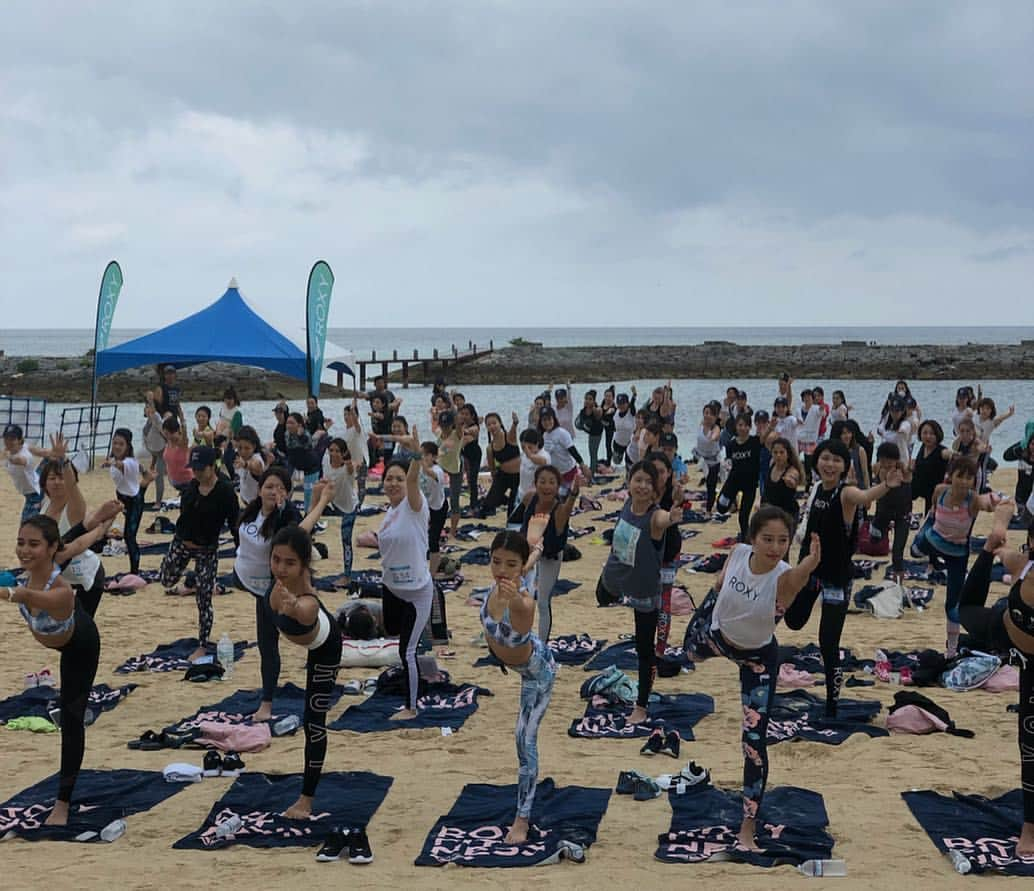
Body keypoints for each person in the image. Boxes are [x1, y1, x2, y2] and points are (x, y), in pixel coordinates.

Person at [704, 507, 821, 850]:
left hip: (757, 660)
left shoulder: (785, 578)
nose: (774, 547)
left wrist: (811, 563)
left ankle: (747, 828)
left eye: (782, 540)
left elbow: (797, 576)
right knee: (687, 651)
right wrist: (719, 583)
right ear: (752, 539)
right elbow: (722, 576)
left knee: (753, 745)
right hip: (716, 637)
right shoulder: (739, 552)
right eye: (767, 539)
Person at [782, 439, 903, 717]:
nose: (830, 464)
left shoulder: (845, 493)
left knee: (828, 642)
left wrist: (885, 486)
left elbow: (864, 497)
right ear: (817, 462)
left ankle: (831, 702)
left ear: (844, 467)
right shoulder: (814, 490)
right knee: (793, 620)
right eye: (825, 458)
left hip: (836, 577)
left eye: (837, 460)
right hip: (810, 571)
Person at [4, 516, 102, 825]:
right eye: (21, 542)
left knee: (72, 720)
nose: (24, 550)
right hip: (60, 638)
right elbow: (76, 541)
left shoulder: (58, 592)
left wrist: (13, 593)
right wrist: (98, 523)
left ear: (49, 549)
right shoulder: (27, 572)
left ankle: (62, 804)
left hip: (80, 645)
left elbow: (32, 598)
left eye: (33, 544)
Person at [957, 501, 1034, 855]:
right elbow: (1006, 546)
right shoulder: (1024, 563)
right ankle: (1030, 829)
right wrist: (994, 540)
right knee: (1030, 743)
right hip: (1005, 635)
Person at [480, 531, 557, 844]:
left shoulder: (523, 603)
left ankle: (522, 820)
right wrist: (533, 549)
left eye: (510, 564)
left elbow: (504, 610)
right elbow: (525, 567)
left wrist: (530, 559)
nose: (501, 570)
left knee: (523, 741)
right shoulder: (508, 578)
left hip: (538, 672)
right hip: (521, 662)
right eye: (496, 561)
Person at [239, 470, 332, 723]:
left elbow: (301, 532)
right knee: (266, 643)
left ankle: (267, 703)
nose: (273, 491)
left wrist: (320, 501)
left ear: (288, 493)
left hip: (274, 588)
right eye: (269, 486)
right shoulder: (251, 510)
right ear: (259, 489)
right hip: (251, 584)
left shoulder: (286, 515)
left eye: (280, 488)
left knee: (271, 643)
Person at [265, 526, 344, 822]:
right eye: (276, 559)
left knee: (314, 723)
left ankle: (306, 800)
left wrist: (294, 607)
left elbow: (306, 611)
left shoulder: (306, 599)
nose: (281, 568)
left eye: (289, 563)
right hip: (303, 638)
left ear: (303, 565)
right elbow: (302, 529)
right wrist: (318, 502)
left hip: (326, 646)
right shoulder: (276, 582)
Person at [599, 461, 683, 724]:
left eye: (648, 482)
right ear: (629, 482)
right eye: (638, 480)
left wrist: (673, 517)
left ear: (655, 489)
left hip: (644, 591)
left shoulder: (655, 516)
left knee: (644, 650)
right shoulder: (626, 504)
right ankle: (616, 595)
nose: (643, 486)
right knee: (601, 597)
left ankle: (641, 706)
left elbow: (665, 519)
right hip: (615, 578)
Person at [911, 455, 999, 657]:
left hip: (957, 554)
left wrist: (995, 500)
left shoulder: (973, 500)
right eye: (960, 476)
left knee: (953, 606)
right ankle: (919, 542)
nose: (964, 482)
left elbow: (987, 504)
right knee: (915, 551)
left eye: (969, 478)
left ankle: (951, 649)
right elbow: (933, 507)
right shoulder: (940, 490)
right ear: (951, 476)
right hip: (932, 540)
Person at [159, 446, 240, 662]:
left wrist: (241, 550)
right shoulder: (191, 488)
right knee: (166, 580)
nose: (195, 473)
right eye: (193, 468)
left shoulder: (225, 490)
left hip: (207, 549)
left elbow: (234, 523)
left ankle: (202, 645)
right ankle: (190, 578)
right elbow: (184, 517)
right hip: (183, 543)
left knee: (204, 599)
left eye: (199, 468)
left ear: (212, 467)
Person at [378, 457, 435, 719]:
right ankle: (426, 667)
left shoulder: (415, 506)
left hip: (416, 592)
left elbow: (413, 480)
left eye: (398, 479)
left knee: (407, 650)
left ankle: (411, 708)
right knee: (393, 633)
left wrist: (414, 455)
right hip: (391, 588)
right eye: (389, 478)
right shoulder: (389, 513)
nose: (393, 483)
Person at [509, 465, 576, 641]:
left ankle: (542, 643)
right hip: (529, 549)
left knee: (543, 601)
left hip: (550, 555)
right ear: (535, 483)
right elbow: (517, 523)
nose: (547, 486)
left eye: (552, 482)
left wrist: (574, 493)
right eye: (542, 481)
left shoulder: (560, 509)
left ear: (557, 486)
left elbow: (569, 506)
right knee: (521, 595)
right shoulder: (530, 498)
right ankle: (519, 635)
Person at [647, 452, 683, 657]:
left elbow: (680, 503)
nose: (658, 476)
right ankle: (647, 643)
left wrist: (679, 498)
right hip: (649, 553)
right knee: (648, 602)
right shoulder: (645, 492)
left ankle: (660, 650)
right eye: (654, 471)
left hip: (669, 552)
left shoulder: (672, 493)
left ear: (669, 473)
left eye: (662, 471)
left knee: (664, 603)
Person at [102, 428, 148, 576]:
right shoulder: (131, 462)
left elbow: (122, 466)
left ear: (127, 446)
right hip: (122, 498)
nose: (116, 446)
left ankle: (134, 571)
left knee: (129, 537)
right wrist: (145, 472)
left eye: (120, 444)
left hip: (134, 502)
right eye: (114, 443)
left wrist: (111, 463)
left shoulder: (128, 462)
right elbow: (140, 466)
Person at [869, 443, 912, 582]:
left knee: (897, 553)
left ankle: (897, 581)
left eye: (890, 460)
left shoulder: (902, 469)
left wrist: (908, 470)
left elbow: (911, 476)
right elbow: (863, 475)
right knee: (874, 539)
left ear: (896, 459)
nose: (887, 463)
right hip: (883, 512)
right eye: (883, 459)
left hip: (902, 514)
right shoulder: (877, 467)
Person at [716, 413, 761, 542]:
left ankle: (745, 541)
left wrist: (770, 427)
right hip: (733, 481)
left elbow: (766, 439)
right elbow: (727, 460)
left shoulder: (755, 442)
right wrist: (725, 463)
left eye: (745, 425)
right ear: (736, 427)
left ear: (749, 427)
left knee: (743, 517)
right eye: (740, 425)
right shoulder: (731, 445)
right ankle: (733, 503)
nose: (742, 428)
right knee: (721, 507)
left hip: (749, 484)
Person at [322, 438, 358, 586]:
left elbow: (351, 467)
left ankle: (347, 576)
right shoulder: (325, 462)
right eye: (331, 450)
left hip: (349, 507)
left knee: (346, 541)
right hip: (333, 504)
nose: (334, 453)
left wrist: (348, 459)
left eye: (337, 451)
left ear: (343, 453)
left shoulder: (346, 470)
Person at [537, 407, 590, 495]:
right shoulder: (544, 436)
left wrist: (583, 466)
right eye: (544, 420)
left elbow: (573, 451)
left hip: (569, 472)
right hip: (555, 474)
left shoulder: (562, 433)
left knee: (568, 497)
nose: (547, 422)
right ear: (541, 422)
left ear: (554, 419)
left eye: (549, 419)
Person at [479, 412, 522, 517]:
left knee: (512, 512)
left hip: (518, 476)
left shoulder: (509, 437)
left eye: (494, 423)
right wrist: (495, 486)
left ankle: (511, 501)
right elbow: (492, 468)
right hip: (503, 476)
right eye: (489, 425)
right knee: (487, 506)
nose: (492, 426)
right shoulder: (490, 447)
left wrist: (515, 423)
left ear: (500, 423)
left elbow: (513, 430)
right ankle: (504, 500)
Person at [760, 436, 802, 536]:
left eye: (782, 452)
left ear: (788, 454)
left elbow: (794, 479)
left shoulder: (792, 471)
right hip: (770, 514)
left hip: (787, 516)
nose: (778, 455)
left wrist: (791, 482)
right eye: (775, 452)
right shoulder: (772, 464)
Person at [3, 424, 43, 521]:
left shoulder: (24, 455)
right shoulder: (13, 450)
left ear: (20, 440)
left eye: (12, 439)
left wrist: (8, 456)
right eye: (6, 438)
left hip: (35, 495)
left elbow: (20, 460)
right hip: (31, 490)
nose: (8, 441)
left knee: (26, 525)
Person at [912, 420, 951, 516]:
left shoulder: (942, 451)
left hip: (934, 493)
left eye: (932, 434)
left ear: (937, 435)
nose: (928, 436)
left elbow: (952, 455)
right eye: (925, 433)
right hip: (918, 486)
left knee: (930, 519)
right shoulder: (923, 447)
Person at [436, 409, 464, 538]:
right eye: (442, 425)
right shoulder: (439, 435)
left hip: (456, 468)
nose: (444, 428)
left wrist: (457, 418)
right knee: (436, 496)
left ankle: (453, 531)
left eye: (447, 426)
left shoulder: (456, 434)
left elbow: (460, 424)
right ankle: (436, 524)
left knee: (454, 499)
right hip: (441, 466)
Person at [693, 402, 722, 517]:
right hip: (702, 460)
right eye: (705, 413)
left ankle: (709, 510)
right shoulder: (701, 424)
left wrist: (712, 438)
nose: (707, 416)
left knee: (711, 486)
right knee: (706, 483)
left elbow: (715, 435)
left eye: (710, 414)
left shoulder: (716, 428)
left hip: (713, 462)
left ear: (715, 417)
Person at [142, 392, 168, 505]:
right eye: (145, 406)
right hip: (157, 454)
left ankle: (158, 502)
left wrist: (151, 400)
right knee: (152, 475)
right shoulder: (147, 423)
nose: (146, 408)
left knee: (158, 477)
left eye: (148, 406)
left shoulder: (156, 418)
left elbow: (153, 412)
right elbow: (152, 446)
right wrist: (153, 462)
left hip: (164, 453)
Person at [232, 426, 266, 506]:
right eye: (240, 448)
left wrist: (245, 464)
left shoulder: (257, 458)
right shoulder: (240, 457)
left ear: (254, 446)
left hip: (257, 505)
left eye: (247, 448)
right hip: (246, 502)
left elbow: (256, 466)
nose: (243, 452)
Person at [576, 390, 605, 480]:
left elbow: (598, 415)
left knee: (593, 453)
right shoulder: (583, 411)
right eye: (586, 399)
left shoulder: (597, 409)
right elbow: (577, 423)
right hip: (591, 433)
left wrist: (592, 407)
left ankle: (591, 475)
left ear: (594, 400)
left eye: (590, 399)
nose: (587, 401)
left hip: (597, 434)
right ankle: (593, 469)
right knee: (591, 453)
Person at [459, 404, 482, 511]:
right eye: (462, 414)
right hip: (466, 456)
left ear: (472, 416)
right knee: (469, 480)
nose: (464, 416)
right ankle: (473, 503)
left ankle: (474, 506)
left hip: (475, 455)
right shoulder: (463, 425)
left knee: (473, 481)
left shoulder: (475, 427)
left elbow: (467, 433)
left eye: (466, 414)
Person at [517, 428, 551, 501]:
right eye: (523, 447)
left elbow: (542, 461)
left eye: (529, 447)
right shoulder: (524, 454)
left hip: (535, 497)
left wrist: (529, 455)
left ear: (537, 443)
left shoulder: (544, 455)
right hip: (521, 493)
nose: (526, 450)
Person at [611, 390, 637, 467]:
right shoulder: (615, 412)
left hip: (629, 443)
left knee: (629, 463)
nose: (621, 406)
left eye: (623, 403)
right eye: (619, 403)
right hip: (618, 442)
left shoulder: (631, 412)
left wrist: (634, 395)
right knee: (616, 462)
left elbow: (632, 404)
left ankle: (629, 474)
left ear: (627, 404)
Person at [600, 387, 617, 467]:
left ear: (613, 398)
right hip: (603, 425)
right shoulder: (603, 402)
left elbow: (605, 414)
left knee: (608, 444)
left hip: (611, 427)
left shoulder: (613, 408)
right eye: (606, 396)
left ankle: (609, 462)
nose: (607, 398)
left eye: (609, 396)